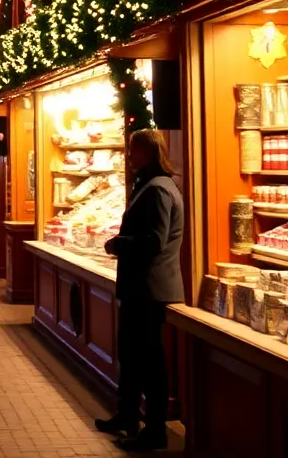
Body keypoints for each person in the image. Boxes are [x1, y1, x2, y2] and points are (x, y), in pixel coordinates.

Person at [94, 128, 183, 453]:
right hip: (140, 288)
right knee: (132, 356)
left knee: (149, 361)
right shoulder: (151, 184)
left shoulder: (158, 189)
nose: (129, 156)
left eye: (132, 150)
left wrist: (119, 244)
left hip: (149, 289)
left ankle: (155, 430)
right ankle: (127, 415)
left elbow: (155, 241)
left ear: (146, 152)